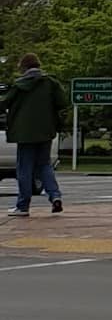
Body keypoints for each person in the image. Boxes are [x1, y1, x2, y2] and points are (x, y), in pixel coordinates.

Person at [2, 53, 66, 217]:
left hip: (24, 133)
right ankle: (55, 196)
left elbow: (4, 103)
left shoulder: (19, 86)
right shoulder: (51, 83)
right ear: (38, 65)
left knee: (24, 168)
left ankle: (23, 206)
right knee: (44, 165)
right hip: (46, 131)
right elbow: (62, 103)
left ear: (24, 67)